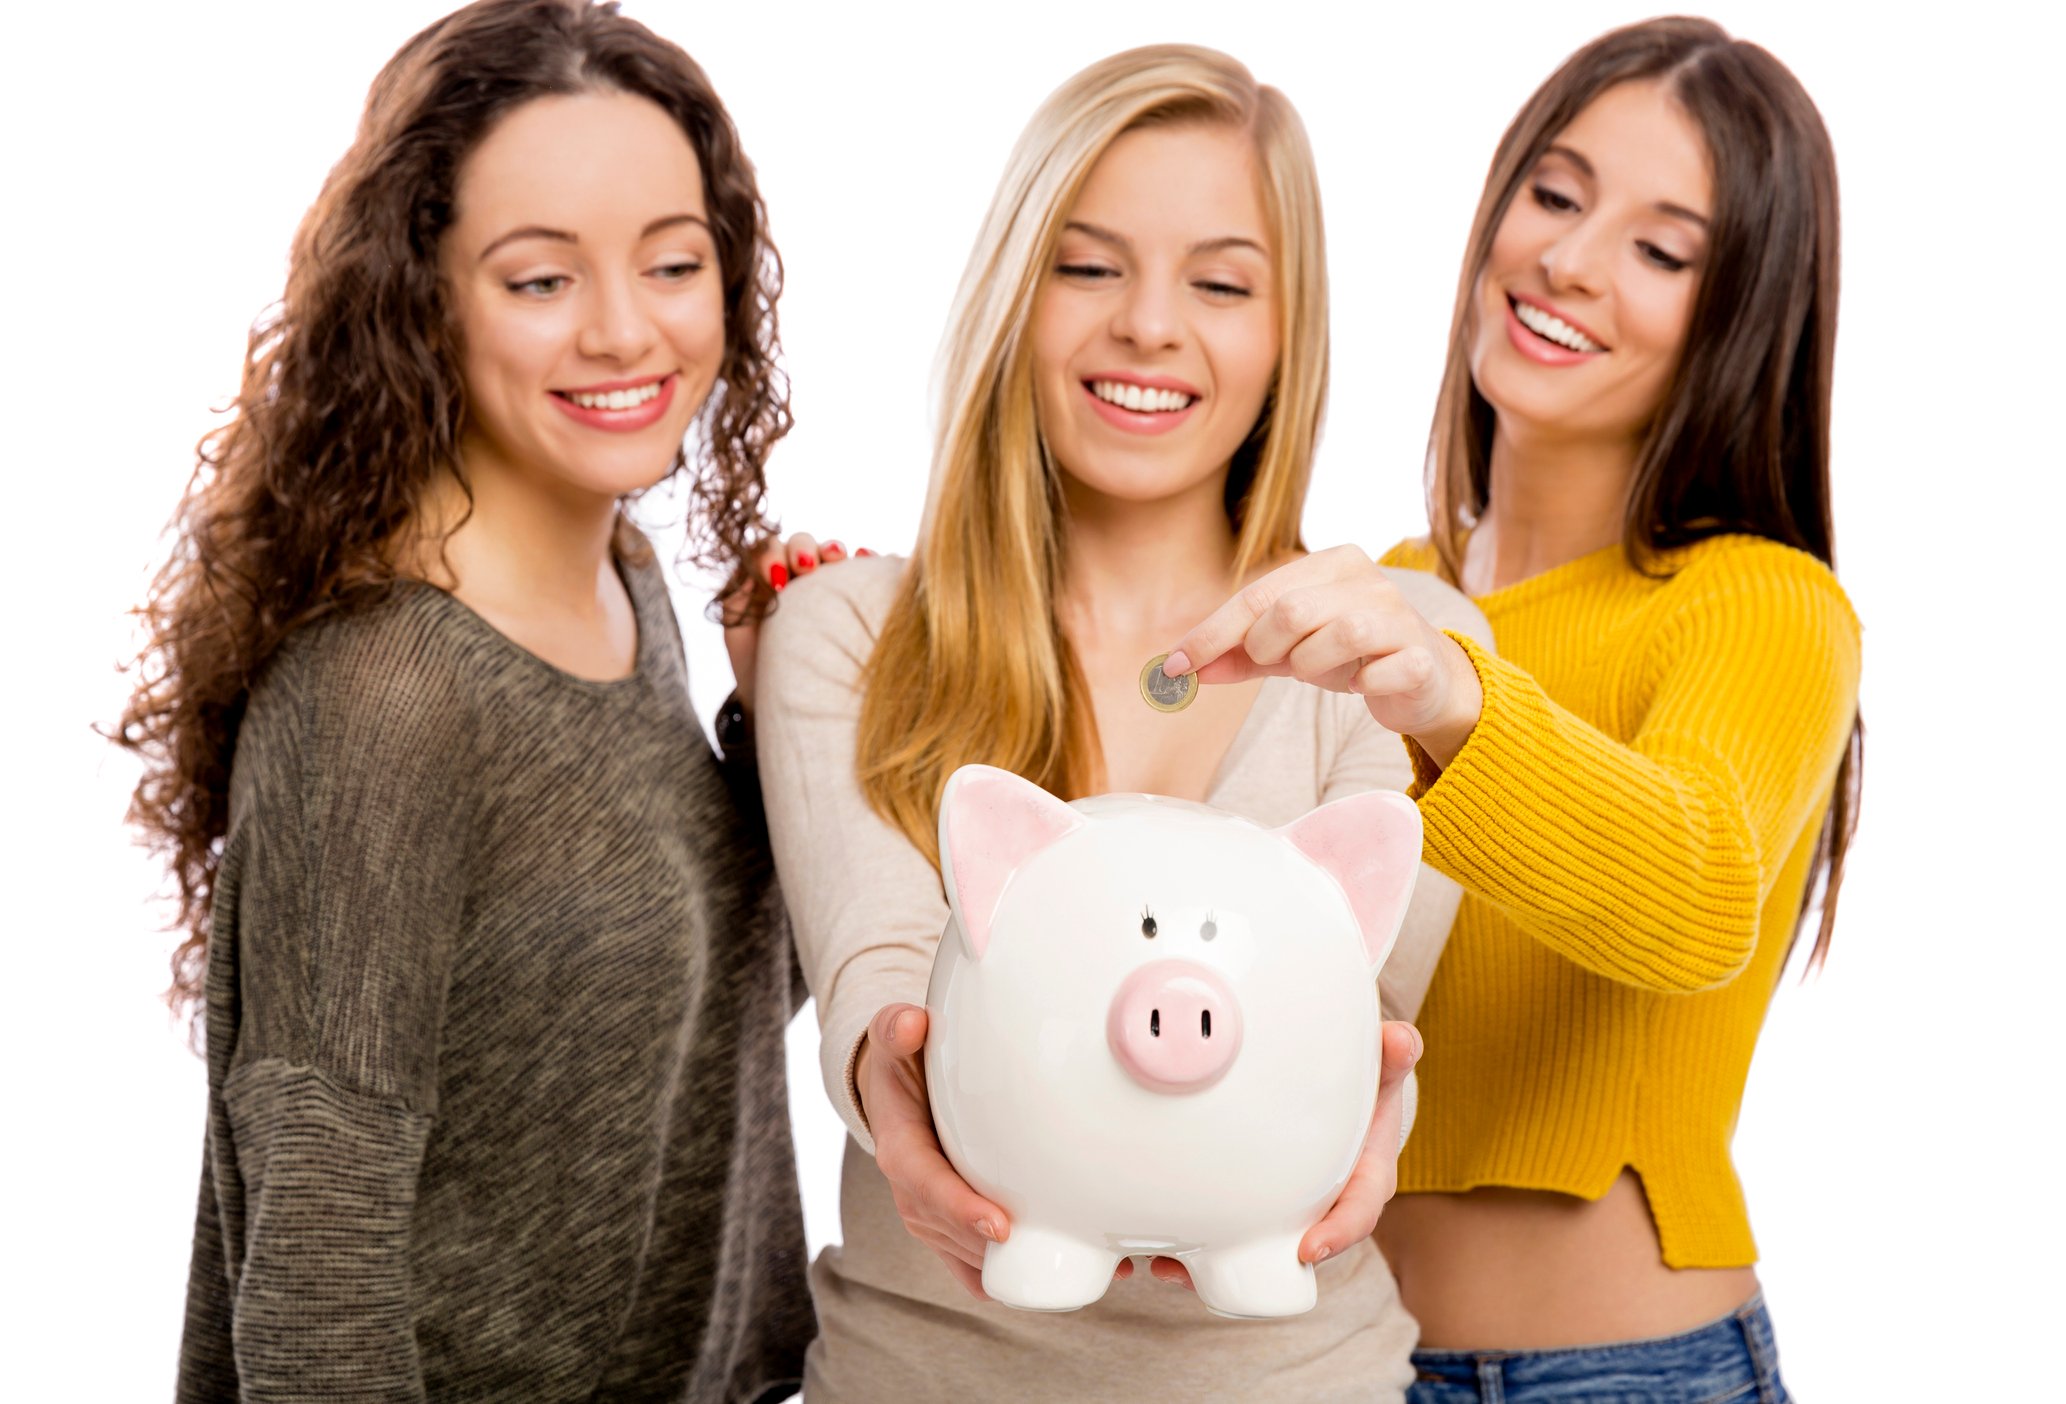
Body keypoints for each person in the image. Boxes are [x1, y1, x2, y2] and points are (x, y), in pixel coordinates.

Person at [749, 44, 1489, 1403]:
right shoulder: (847, 631)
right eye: (1087, 267)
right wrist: (905, 1107)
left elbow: (1364, 1014)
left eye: (1219, 283)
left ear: (1288, 330)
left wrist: (1380, 1117)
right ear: (1012, 294)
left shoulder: (1404, 650)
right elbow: (877, 975)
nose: (1150, 325)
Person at [114, 1, 814, 1397]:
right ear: (420, 296)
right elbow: (320, 1280)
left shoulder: (626, 582)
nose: (626, 331)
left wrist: (781, 730)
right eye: (540, 279)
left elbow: (658, 1036)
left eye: (673, 264)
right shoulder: (384, 694)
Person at [1163, 18, 1861, 1401]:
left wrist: (1448, 689)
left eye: (1663, 252)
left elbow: (1693, 891)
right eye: (1553, 195)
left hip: (1630, 1374)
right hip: (1332, 1364)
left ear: (1742, 319)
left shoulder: (1757, 604)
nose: (1569, 261)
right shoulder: (1380, 595)